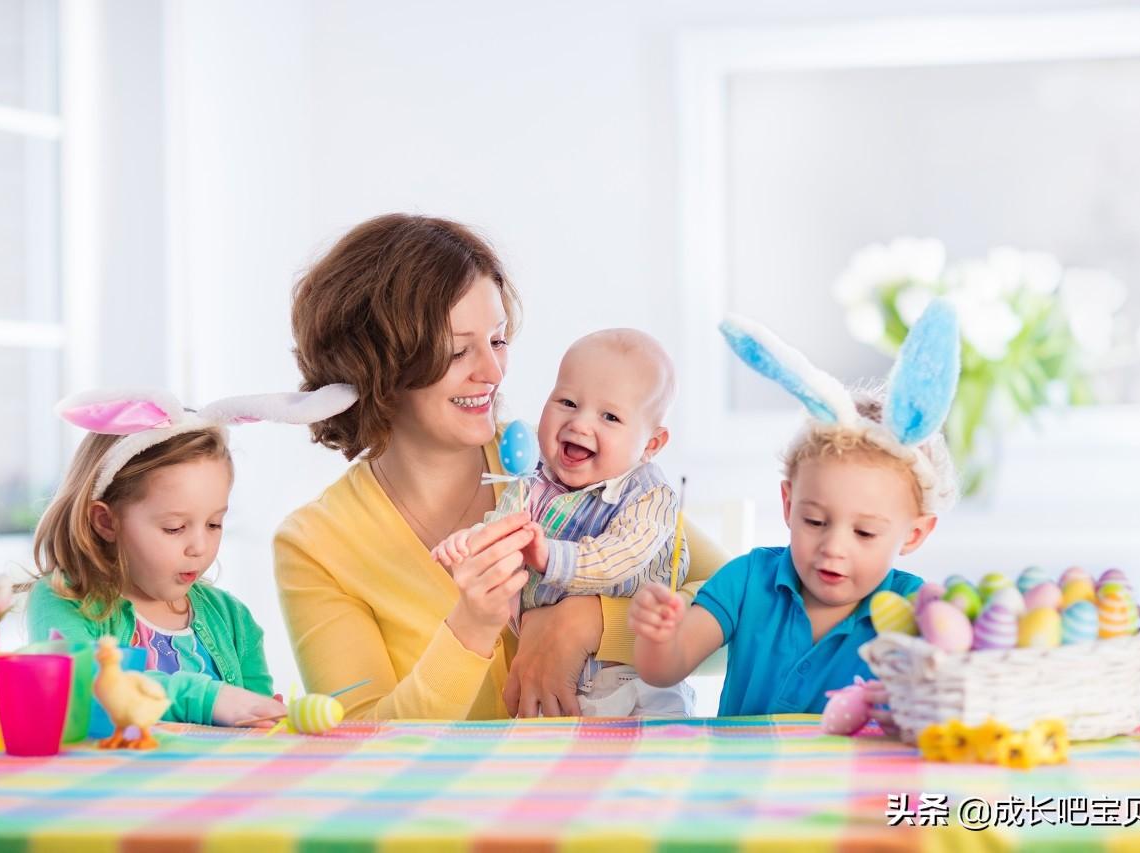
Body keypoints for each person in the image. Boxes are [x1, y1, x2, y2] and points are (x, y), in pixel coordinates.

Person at [274, 213, 728, 720]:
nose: (492, 373)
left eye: (497, 339)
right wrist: (470, 628)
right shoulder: (315, 545)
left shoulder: (566, 464)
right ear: (377, 366)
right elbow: (360, 742)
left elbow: (754, 614)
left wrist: (587, 623)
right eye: (456, 350)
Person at [630, 301, 961, 718]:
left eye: (864, 533)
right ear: (789, 504)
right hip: (740, 779)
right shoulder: (748, 580)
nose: (833, 547)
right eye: (815, 521)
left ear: (913, 534)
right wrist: (658, 637)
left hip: (856, 784)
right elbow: (665, 670)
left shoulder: (916, 612)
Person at [27, 387, 353, 726]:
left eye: (214, 523)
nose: (200, 546)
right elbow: (81, 685)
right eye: (174, 527)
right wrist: (209, 698)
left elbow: (255, 724)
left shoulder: (232, 620)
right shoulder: (63, 600)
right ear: (106, 521)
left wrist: (265, 714)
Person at [432, 328, 692, 716]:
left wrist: (550, 558)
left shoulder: (648, 495)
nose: (580, 424)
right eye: (568, 402)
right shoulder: (532, 479)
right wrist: (470, 543)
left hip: (634, 679)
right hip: (547, 685)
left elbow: (619, 556)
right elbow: (503, 526)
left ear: (651, 445)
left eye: (610, 416)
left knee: (659, 763)